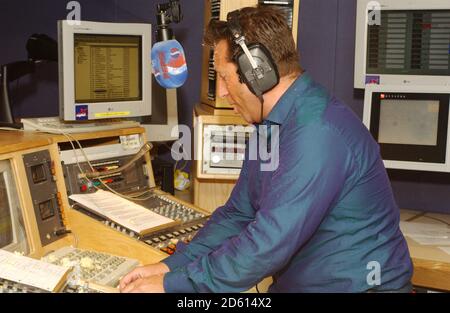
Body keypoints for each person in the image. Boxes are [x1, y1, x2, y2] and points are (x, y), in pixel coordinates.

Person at [120, 5, 413, 293]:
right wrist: (173, 266)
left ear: (257, 72)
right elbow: (239, 214)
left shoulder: (317, 132)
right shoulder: (271, 124)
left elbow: (266, 245)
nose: (221, 91)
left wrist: (173, 286)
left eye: (223, 76)